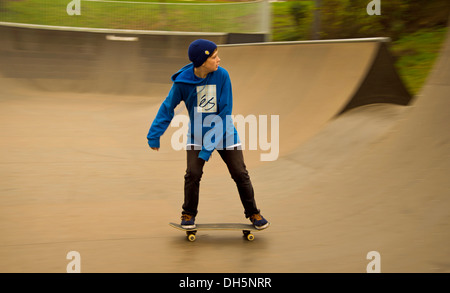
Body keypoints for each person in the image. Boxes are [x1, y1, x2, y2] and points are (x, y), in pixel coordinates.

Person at [147, 39, 269, 230]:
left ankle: (253, 212)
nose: (219, 59)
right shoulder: (182, 83)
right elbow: (167, 107)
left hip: (224, 132)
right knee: (192, 174)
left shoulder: (222, 76)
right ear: (202, 62)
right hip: (197, 135)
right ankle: (188, 214)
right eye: (214, 57)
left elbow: (225, 112)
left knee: (240, 173)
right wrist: (154, 135)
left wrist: (207, 150)